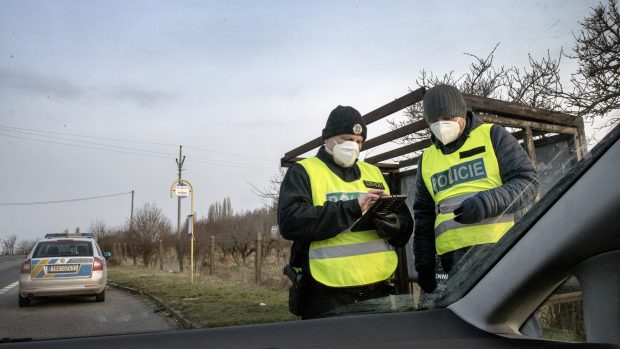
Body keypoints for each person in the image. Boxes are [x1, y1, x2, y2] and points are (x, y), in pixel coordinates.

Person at [278, 105, 413, 319]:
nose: (353, 146)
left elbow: (404, 222)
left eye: (359, 142)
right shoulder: (303, 172)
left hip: (378, 291)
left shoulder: (374, 173)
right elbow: (290, 221)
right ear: (327, 138)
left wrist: (397, 225)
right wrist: (352, 207)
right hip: (326, 296)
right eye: (346, 139)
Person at [413, 85, 539, 294]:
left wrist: (486, 203)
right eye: (435, 121)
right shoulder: (427, 159)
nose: (442, 126)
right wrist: (424, 263)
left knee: (512, 319)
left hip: (501, 252)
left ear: (462, 113)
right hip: (453, 263)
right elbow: (423, 214)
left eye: (449, 118)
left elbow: (527, 182)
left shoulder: (493, 136)